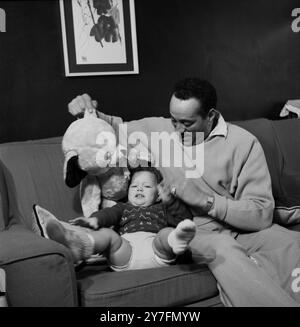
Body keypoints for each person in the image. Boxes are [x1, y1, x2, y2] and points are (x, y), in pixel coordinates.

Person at [67, 77, 300, 306]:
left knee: (290, 242)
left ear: (210, 116)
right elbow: (108, 128)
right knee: (224, 250)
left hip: (241, 228)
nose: (177, 130)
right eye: (173, 120)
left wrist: (207, 202)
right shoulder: (158, 131)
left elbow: (261, 214)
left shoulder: (243, 143)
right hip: (190, 231)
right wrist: (87, 110)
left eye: (186, 123)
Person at [33, 167, 196, 271]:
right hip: (126, 252)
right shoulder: (122, 207)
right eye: (134, 185)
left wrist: (171, 202)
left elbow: (185, 219)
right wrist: (94, 220)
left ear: (158, 195)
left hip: (156, 251)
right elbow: (108, 215)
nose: (139, 188)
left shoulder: (162, 207)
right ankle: (81, 246)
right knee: (109, 235)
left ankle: (175, 241)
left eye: (146, 186)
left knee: (166, 233)